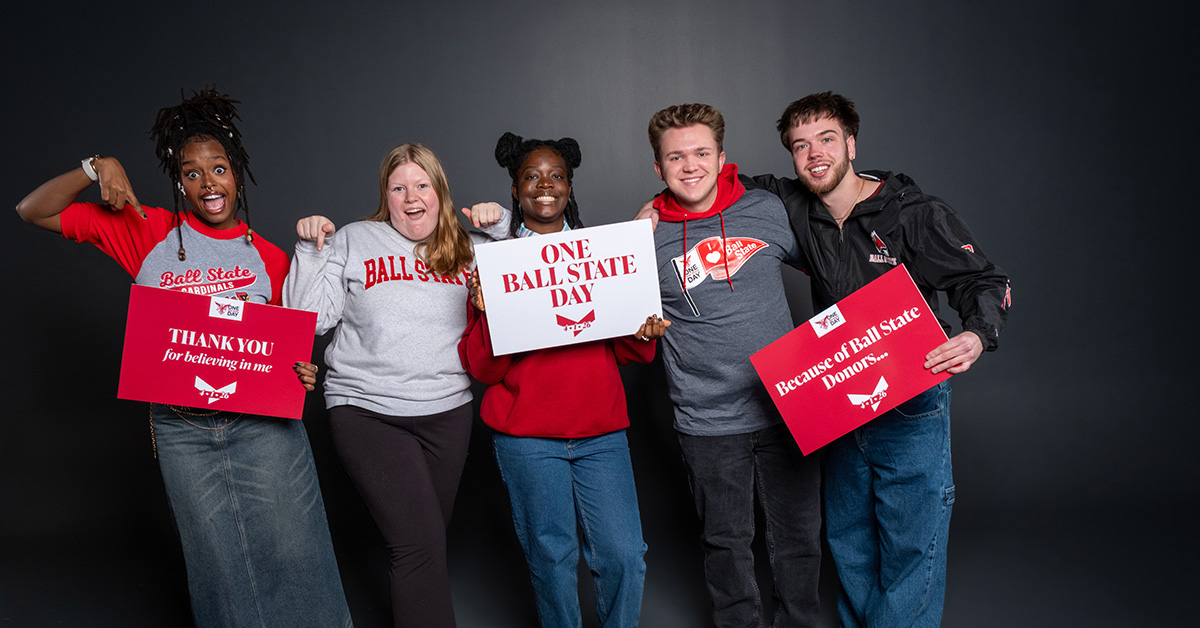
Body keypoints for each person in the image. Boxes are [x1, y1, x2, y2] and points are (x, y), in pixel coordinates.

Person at [14, 88, 352, 628]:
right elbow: (32, 210)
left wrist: (302, 371)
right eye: (192, 174)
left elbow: (287, 350)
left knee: (297, 556)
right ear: (179, 183)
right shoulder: (144, 231)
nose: (207, 184)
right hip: (182, 430)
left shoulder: (269, 257)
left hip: (264, 429)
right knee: (218, 566)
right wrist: (96, 166)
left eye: (218, 169)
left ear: (237, 173)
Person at [752, 91, 1011, 628]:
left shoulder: (912, 212)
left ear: (851, 143)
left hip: (910, 399)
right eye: (800, 146)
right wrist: (659, 206)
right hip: (838, 398)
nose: (814, 154)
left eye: (826, 139)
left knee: (911, 544)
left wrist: (978, 335)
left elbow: (983, 280)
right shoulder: (795, 205)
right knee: (849, 538)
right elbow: (716, 185)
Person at [284, 143, 506, 628]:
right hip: (366, 410)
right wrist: (307, 251)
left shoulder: (471, 247)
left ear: (440, 192)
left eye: (422, 185)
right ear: (385, 196)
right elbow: (306, 321)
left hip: (447, 413)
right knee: (418, 545)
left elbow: (531, 298)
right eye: (398, 187)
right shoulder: (355, 239)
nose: (411, 197)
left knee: (423, 541)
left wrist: (502, 230)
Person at [458, 132, 669, 628]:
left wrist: (645, 331)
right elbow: (483, 370)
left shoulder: (602, 255)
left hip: (601, 434)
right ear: (515, 189)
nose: (545, 186)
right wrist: (488, 314)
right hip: (528, 439)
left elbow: (630, 351)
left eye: (556, 176)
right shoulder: (495, 263)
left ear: (569, 186)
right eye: (532, 177)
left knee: (622, 554)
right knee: (551, 561)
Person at [644, 104, 822, 628]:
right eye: (676, 156)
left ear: (722, 158)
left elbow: (833, 264)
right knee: (726, 544)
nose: (690, 165)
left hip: (787, 405)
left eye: (701, 153)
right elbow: (612, 318)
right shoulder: (641, 237)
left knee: (799, 536)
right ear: (659, 167)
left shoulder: (767, 209)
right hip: (706, 419)